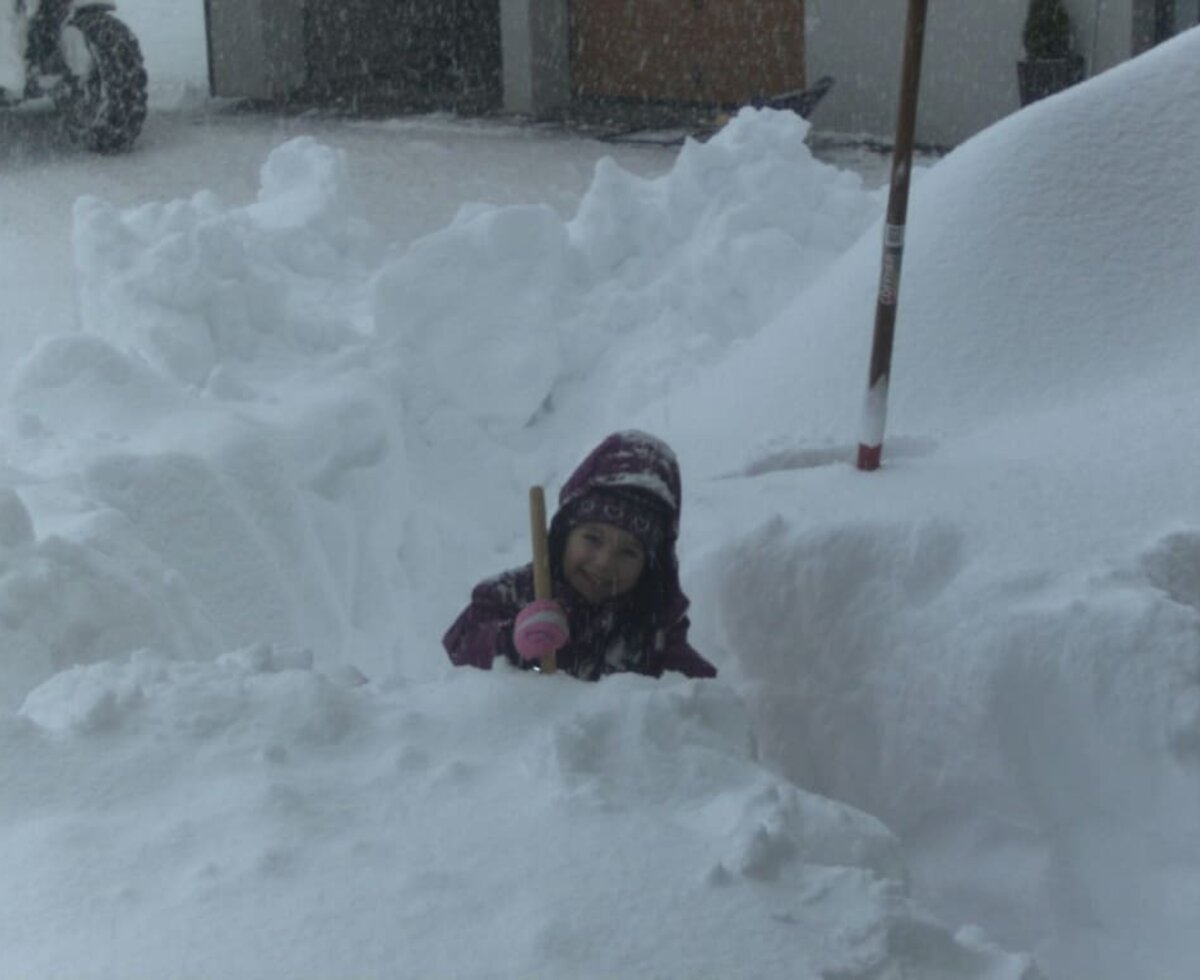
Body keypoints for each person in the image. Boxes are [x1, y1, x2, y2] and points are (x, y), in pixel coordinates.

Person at [442, 430, 717, 682]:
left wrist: (711, 704)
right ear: (564, 534)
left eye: (629, 552)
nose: (604, 562)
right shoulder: (515, 594)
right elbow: (459, 648)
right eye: (592, 539)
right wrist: (512, 643)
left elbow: (691, 697)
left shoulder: (653, 625)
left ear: (651, 565)